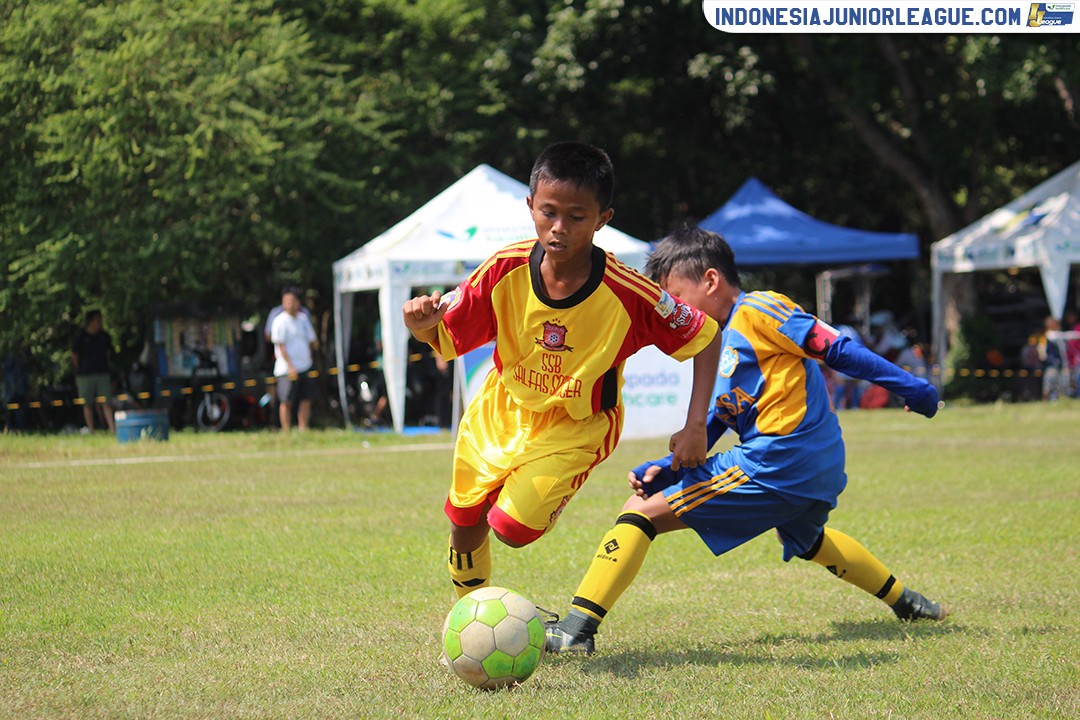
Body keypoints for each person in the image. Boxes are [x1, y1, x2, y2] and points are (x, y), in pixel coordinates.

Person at [544, 226, 947, 655]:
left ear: (711, 281)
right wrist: (668, 466)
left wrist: (913, 386)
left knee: (640, 512)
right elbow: (717, 421)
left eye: (676, 297)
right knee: (807, 540)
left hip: (779, 461)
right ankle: (907, 603)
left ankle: (576, 630)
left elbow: (836, 348)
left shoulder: (758, 308)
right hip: (813, 466)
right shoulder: (717, 342)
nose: (672, 311)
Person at [401, 142, 722, 599]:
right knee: (464, 519)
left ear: (602, 219)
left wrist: (695, 427)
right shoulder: (502, 269)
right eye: (548, 212)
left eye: (576, 216)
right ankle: (468, 622)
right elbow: (445, 335)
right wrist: (421, 327)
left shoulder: (629, 292)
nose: (558, 228)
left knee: (510, 528)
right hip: (501, 408)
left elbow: (707, 337)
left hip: (578, 426)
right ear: (530, 205)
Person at [270, 286, 318, 431]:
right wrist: (290, 366)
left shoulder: (303, 319)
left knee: (306, 398)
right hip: (286, 369)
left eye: (293, 301)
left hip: (305, 365)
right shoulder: (279, 321)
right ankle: (286, 430)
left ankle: (303, 428)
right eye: (287, 301)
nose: (290, 304)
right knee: (287, 400)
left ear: (298, 302)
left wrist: (309, 358)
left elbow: (311, 341)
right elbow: (280, 345)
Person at [71, 309, 116, 433]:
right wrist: (79, 369)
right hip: (85, 375)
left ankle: (112, 429)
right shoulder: (81, 337)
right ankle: (91, 429)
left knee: (106, 401)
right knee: (87, 403)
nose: (100, 322)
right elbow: (74, 356)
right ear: (90, 321)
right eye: (97, 320)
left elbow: (109, 353)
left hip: (102, 373)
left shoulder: (104, 336)